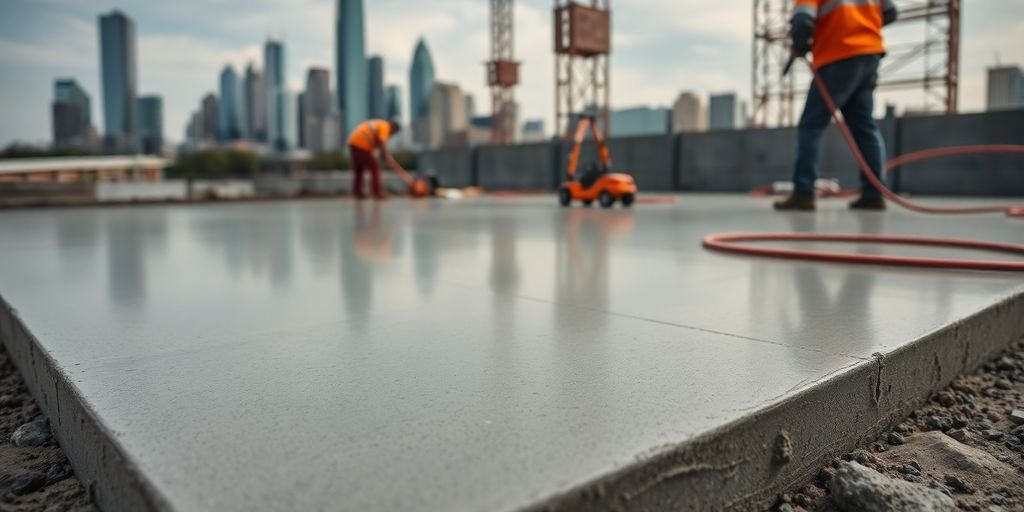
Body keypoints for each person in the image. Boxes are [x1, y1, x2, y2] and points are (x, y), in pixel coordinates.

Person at [774, 0, 898, 211]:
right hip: (870, 55)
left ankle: (803, 193)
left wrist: (801, 46)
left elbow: (803, 21)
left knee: (810, 126)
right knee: (864, 127)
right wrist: (862, 31)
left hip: (837, 56)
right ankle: (873, 194)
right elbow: (890, 12)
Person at [347, 119, 405, 200]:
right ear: (393, 128)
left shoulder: (380, 124)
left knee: (359, 169)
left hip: (353, 142)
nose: (391, 135)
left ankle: (357, 192)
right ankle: (377, 192)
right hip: (361, 144)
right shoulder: (386, 127)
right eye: (393, 133)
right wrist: (386, 156)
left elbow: (378, 144)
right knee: (375, 168)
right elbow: (382, 144)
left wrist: (384, 156)